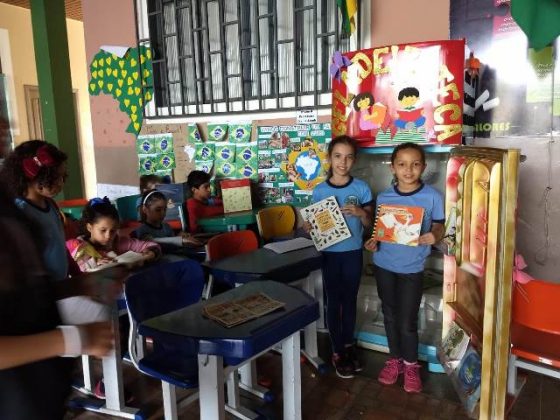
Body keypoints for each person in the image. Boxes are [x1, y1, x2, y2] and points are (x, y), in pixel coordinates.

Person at [0, 182, 114, 420]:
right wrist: (74, 339)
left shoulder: (7, 207)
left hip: (41, 393)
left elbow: (23, 293)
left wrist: (79, 285)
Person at [364, 142, 444, 393]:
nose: (408, 170)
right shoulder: (384, 197)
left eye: (415, 164)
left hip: (412, 268)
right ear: (393, 167)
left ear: (423, 167)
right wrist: (373, 242)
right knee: (389, 314)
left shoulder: (432, 196)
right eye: (402, 164)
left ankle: (410, 366)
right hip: (384, 265)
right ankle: (394, 360)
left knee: (408, 320)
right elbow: (381, 231)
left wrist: (435, 235)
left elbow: (440, 226)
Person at [303, 135, 374, 379]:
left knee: (350, 300)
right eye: (338, 156)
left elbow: (370, 224)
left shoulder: (361, 188)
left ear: (355, 160)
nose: (343, 162)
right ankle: (337, 350)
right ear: (329, 158)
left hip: (353, 252)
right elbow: (314, 223)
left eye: (348, 157)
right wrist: (309, 226)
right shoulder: (320, 190)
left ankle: (348, 344)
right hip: (330, 254)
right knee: (333, 301)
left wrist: (361, 212)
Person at [67, 197, 161, 272]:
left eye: (113, 231)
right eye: (103, 230)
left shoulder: (118, 242)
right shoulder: (77, 247)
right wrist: (94, 263)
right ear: (89, 227)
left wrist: (150, 253)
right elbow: (76, 270)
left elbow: (153, 245)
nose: (108, 236)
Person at [133, 189, 202, 250]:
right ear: (145, 209)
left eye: (165, 209)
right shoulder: (142, 230)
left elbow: (172, 243)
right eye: (158, 210)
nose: (163, 213)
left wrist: (180, 236)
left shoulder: (166, 227)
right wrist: (180, 240)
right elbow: (152, 241)